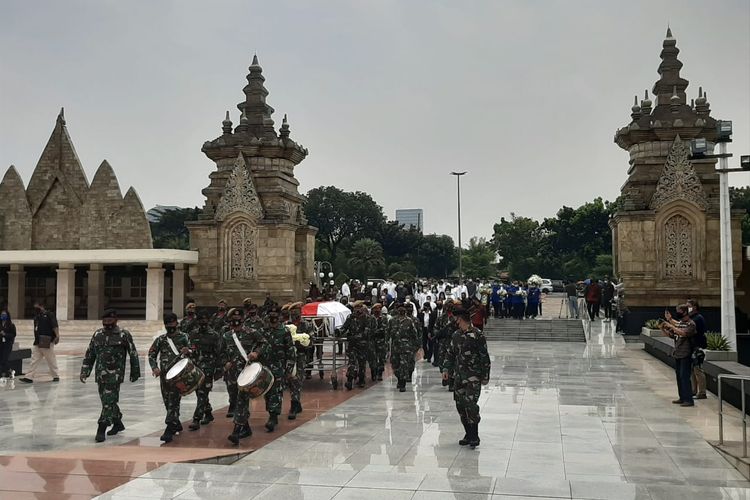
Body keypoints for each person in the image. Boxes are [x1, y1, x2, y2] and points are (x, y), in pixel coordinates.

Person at [79, 309, 140, 442]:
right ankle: (117, 422)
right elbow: (90, 354)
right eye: (105, 321)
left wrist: (135, 372)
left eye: (110, 321)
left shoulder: (124, 335)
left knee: (108, 401)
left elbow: (133, 353)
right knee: (107, 400)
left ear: (116, 320)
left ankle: (102, 427)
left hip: (115, 374)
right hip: (101, 374)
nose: (107, 323)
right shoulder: (97, 334)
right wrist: (85, 371)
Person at [442, 307, 491, 449]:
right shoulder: (456, 335)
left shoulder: (477, 335)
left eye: (456, 319)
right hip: (459, 377)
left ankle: (474, 435)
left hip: (473, 377)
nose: (454, 321)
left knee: (471, 405)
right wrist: (446, 369)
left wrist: (485, 376)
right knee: (460, 406)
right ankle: (468, 434)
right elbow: (450, 353)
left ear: (461, 319)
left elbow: (484, 357)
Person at [148, 312, 194, 442]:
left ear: (176, 323)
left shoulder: (184, 337)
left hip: (179, 376)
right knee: (168, 401)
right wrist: (154, 367)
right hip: (164, 376)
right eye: (167, 323)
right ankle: (176, 422)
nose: (170, 325)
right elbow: (151, 354)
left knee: (174, 400)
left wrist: (188, 351)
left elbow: (194, 350)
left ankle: (169, 428)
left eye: (172, 322)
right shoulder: (161, 339)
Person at [222, 308, 264, 443]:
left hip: (247, 374)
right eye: (233, 322)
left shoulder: (252, 333)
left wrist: (256, 353)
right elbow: (220, 352)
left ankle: (236, 431)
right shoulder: (226, 336)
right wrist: (225, 363)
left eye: (238, 321)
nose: (236, 324)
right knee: (234, 399)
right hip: (232, 374)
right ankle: (246, 428)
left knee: (242, 400)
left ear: (243, 320)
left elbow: (264, 343)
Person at [260, 307, 296, 432]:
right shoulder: (263, 331)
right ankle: (271, 411)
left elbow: (290, 352)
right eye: (271, 314)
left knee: (276, 392)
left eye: (275, 314)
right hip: (265, 367)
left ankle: (273, 416)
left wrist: (289, 369)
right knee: (268, 393)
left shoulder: (284, 331)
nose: (273, 316)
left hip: (279, 366)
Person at [187, 309, 223, 431]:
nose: (203, 321)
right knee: (200, 393)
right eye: (200, 319)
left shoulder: (214, 335)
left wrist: (219, 370)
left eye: (205, 319)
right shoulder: (192, 334)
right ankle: (208, 413)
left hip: (208, 368)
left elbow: (219, 353)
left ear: (208, 320)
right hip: (196, 368)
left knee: (203, 393)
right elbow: (190, 350)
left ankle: (196, 419)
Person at [661, 304, 696, 407]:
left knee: (684, 376)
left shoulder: (691, 324)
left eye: (679, 311)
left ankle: (688, 399)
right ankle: (682, 397)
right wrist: (664, 329)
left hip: (686, 353)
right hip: (678, 353)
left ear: (685, 312)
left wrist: (671, 324)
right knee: (679, 377)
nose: (678, 313)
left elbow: (683, 333)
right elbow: (674, 335)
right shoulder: (681, 323)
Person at [20, 300, 60, 383]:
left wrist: (57, 336)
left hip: (46, 339)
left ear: (41, 306)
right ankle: (29, 377)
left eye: (36, 306)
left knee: (50, 359)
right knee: (34, 360)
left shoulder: (49, 315)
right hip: (38, 341)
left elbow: (54, 326)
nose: (35, 308)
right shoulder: (37, 317)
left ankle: (56, 375)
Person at [389, 304, 419, 392]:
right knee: (395, 364)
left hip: (406, 347)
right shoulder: (392, 321)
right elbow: (388, 332)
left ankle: (402, 383)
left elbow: (414, 334)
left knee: (404, 365)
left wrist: (415, 346)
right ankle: (399, 378)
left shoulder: (409, 321)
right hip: (395, 347)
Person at [341, 301, 371, 390]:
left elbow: (367, 331)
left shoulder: (366, 318)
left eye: (359, 308)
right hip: (352, 345)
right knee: (352, 362)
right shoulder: (350, 317)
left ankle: (361, 380)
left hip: (362, 345)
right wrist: (340, 331)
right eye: (355, 308)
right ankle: (349, 380)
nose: (357, 310)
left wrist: (358, 336)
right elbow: (345, 327)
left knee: (362, 363)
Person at [687, 299, 707, 400]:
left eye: (688, 305)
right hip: (692, 346)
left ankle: (702, 392)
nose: (687, 308)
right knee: (692, 369)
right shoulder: (692, 317)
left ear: (694, 307)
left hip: (697, 346)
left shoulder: (698, 318)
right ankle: (694, 390)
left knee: (698, 369)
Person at [368, 303, 389, 381]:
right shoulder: (370, 318)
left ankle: (380, 373)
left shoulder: (384, 318)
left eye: (378, 309)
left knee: (381, 358)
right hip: (372, 341)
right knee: (372, 358)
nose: (377, 310)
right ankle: (373, 373)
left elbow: (386, 328)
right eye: (375, 309)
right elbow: (369, 329)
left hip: (381, 341)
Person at [0, 309, 16, 377]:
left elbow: (13, 334)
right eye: (2, 314)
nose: (3, 316)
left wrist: (5, 334)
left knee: (4, 360)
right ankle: (3, 374)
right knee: (1, 359)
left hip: (7, 344)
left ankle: (10, 371)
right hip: (1, 344)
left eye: (4, 315)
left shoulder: (11, 325)